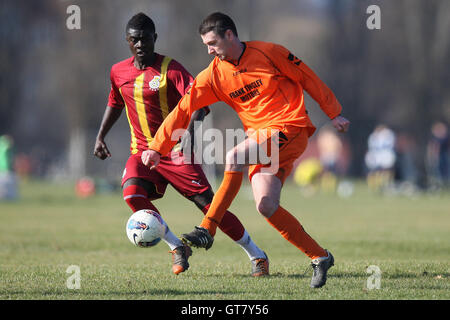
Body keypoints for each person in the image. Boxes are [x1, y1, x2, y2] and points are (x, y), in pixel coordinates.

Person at [141, 12, 350, 288]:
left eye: (213, 42)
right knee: (266, 205)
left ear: (230, 35)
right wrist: (157, 146)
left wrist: (333, 112)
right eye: (206, 44)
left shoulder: (269, 52)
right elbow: (184, 109)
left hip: (290, 127)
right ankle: (320, 257)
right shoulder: (214, 74)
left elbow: (307, 76)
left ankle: (207, 228)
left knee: (234, 156)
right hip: (263, 142)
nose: (209, 50)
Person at [94, 13, 269, 277]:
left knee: (211, 206)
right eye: (134, 40)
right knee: (132, 195)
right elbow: (115, 102)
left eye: (145, 38)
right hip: (142, 153)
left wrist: (187, 134)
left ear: (155, 38)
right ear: (127, 42)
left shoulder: (171, 69)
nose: (140, 44)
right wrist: (100, 136)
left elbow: (200, 105)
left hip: (175, 153)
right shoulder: (118, 71)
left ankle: (256, 255)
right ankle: (177, 246)